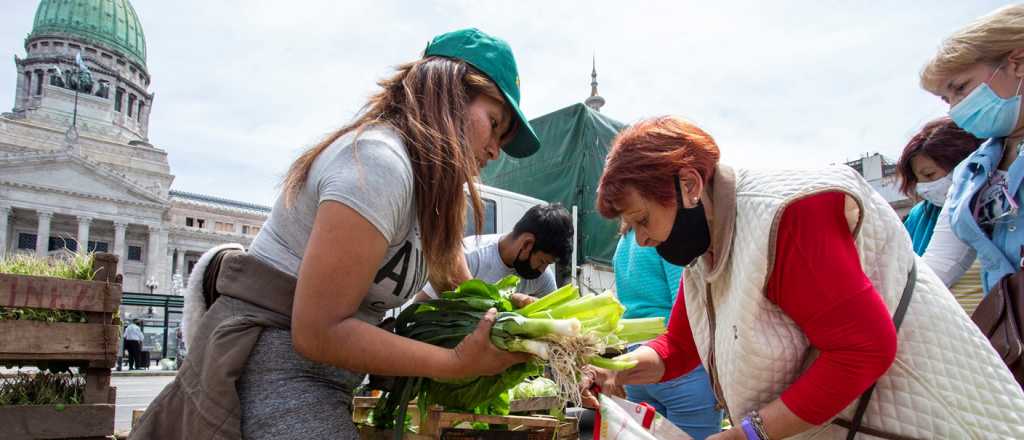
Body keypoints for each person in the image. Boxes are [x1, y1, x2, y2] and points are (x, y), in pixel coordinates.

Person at [132, 28, 541, 440]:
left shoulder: (430, 194)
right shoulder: (379, 165)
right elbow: (318, 332)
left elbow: (456, 284)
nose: (495, 150)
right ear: (447, 93)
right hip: (270, 362)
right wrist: (456, 363)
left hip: (329, 379)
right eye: (494, 124)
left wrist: (510, 318)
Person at [583, 116, 1024, 439]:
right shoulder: (704, 247)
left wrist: (749, 433)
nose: (642, 240)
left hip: (928, 419)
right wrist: (617, 371)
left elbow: (862, 350)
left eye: (642, 220)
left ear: (690, 185)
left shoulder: (787, 214)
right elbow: (680, 347)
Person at [919, 5, 1024, 299]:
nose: (955, 108)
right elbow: (939, 266)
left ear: (1018, 63)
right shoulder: (970, 172)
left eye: (961, 88)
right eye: (946, 99)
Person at [612, 227, 721, 439]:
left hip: (636, 362)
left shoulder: (624, 242)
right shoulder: (662, 235)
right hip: (676, 360)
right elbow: (690, 302)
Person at [896, 117, 985, 314]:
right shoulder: (918, 217)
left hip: (1002, 325)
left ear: (960, 163)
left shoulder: (999, 206)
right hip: (941, 325)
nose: (924, 187)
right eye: (918, 179)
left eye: (929, 175)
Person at [421, 203, 573, 299]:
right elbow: (422, 303)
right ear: (527, 243)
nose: (543, 270)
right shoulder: (469, 256)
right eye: (542, 262)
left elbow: (552, 316)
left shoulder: (542, 277)